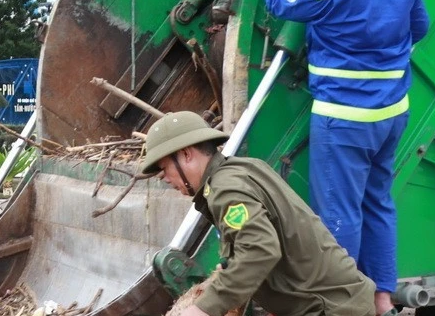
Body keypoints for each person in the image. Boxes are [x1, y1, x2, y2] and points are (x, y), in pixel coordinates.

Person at [260, 0, 428, 315]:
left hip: (344, 121)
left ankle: (343, 306)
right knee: (378, 203)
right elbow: (419, 29)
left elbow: (280, 0)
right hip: (391, 116)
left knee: (338, 217)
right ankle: (382, 299)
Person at [140, 111, 378, 316]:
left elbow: (260, 248)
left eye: (164, 169)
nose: (166, 179)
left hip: (331, 308)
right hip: (335, 302)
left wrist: (204, 307)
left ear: (186, 154)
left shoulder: (226, 189)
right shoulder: (241, 170)